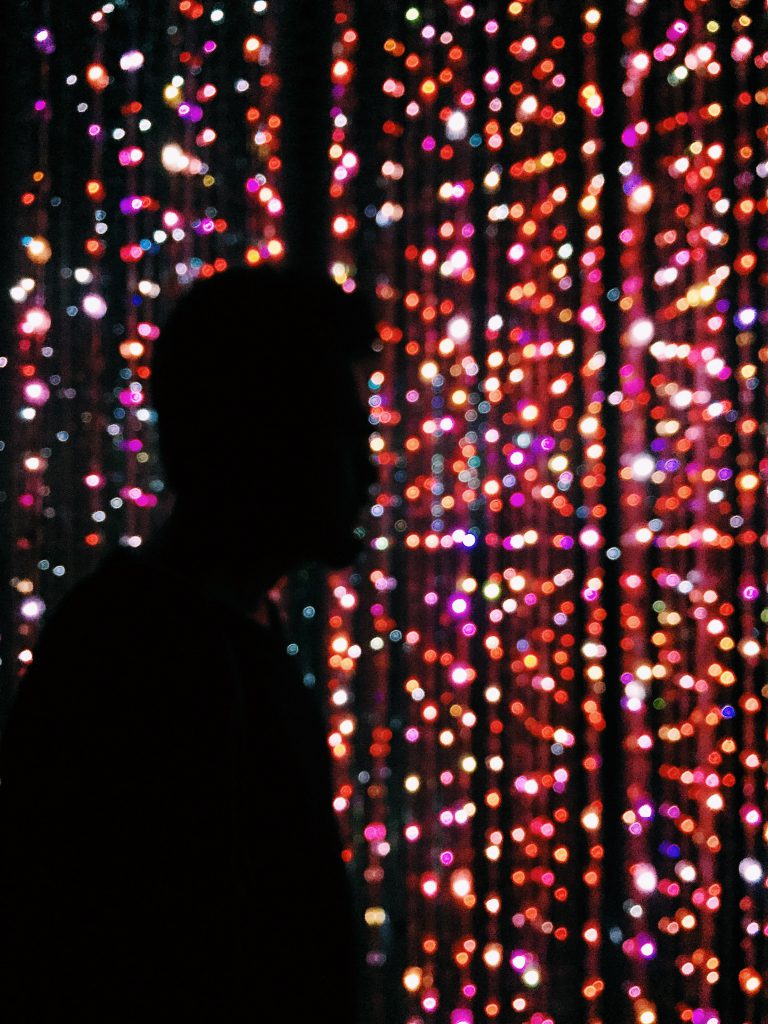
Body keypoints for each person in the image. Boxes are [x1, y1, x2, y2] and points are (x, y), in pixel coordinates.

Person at [0, 265, 378, 1021]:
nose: (367, 472)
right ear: (262, 437)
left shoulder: (207, 636)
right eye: (343, 430)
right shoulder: (136, 665)